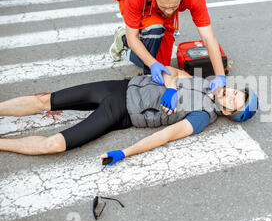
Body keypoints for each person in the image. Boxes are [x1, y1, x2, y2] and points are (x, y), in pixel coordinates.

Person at [0, 66, 258, 165]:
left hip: (119, 112)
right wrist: (169, 85)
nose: (232, 93)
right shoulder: (204, 83)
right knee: (44, 100)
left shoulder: (202, 116)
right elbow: (172, 72)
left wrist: (125, 152)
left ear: (227, 112)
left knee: (53, 144)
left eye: (234, 100)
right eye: (236, 91)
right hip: (118, 87)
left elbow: (165, 135)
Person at [110, 0, 227, 92]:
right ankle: (145, 76)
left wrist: (220, 75)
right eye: (164, 6)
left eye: (174, 6)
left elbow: (208, 37)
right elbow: (132, 36)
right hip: (146, 7)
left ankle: (129, 43)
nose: (169, 11)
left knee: (164, 65)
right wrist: (152, 64)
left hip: (163, 14)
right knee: (154, 31)